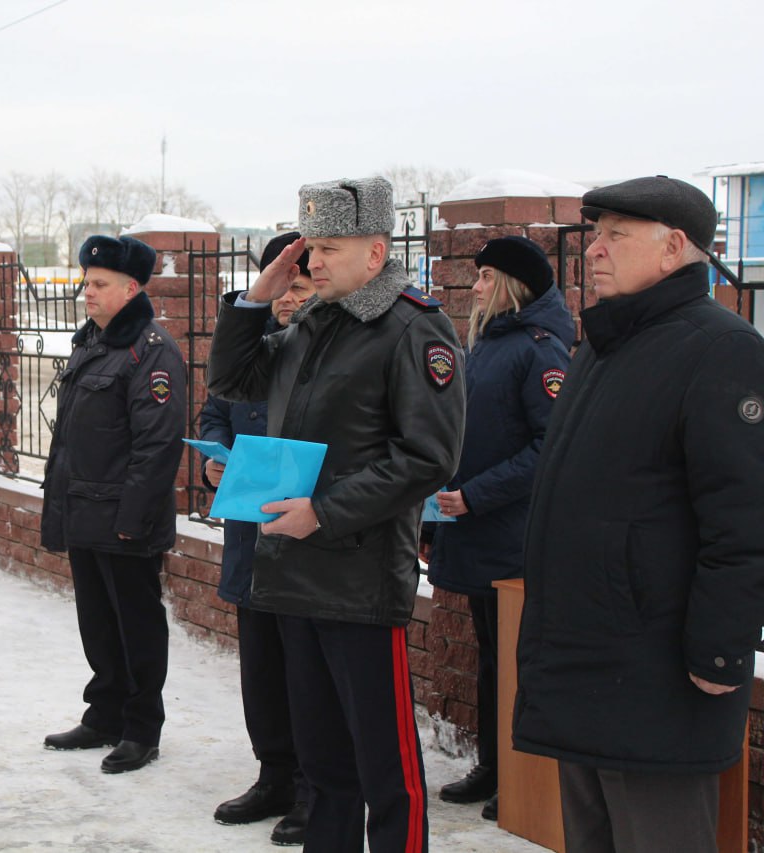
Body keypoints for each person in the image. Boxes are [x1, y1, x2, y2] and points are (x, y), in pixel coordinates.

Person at [207, 177, 465, 852]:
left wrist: (323, 512)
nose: (311, 260)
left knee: (386, 770)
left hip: (358, 582)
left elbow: (427, 458)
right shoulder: (312, 326)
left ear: (375, 252)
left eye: (326, 247)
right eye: (307, 246)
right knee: (322, 767)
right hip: (293, 577)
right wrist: (256, 299)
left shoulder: (413, 328)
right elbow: (233, 382)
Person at [513, 176, 764, 853]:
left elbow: (743, 520)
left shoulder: (723, 348)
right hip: (586, 662)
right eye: (596, 234)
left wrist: (719, 649)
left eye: (616, 234)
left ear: (673, 246)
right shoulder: (604, 344)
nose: (594, 249)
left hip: (658, 676)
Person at [423, 236, 572, 823]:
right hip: (473, 525)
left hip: (513, 532)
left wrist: (476, 497)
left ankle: (521, 774)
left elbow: (549, 446)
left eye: (486, 277)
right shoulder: (487, 344)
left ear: (512, 286)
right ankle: (491, 765)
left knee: (518, 661)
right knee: (490, 658)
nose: (476, 287)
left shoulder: (541, 350)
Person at [40, 234, 187, 774]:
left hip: (125, 521)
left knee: (136, 627)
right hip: (84, 513)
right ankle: (104, 714)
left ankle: (142, 727)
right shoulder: (92, 343)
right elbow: (71, 441)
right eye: (86, 282)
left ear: (131, 288)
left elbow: (156, 447)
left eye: (99, 284)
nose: (87, 292)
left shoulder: (151, 351)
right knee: (98, 624)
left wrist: (132, 520)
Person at [200, 231, 314, 845]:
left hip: (305, 542)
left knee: (304, 673)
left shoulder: (321, 356)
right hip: (250, 537)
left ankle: (310, 789)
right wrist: (211, 463)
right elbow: (216, 408)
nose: (290, 298)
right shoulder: (255, 350)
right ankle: (273, 774)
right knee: (262, 672)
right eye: (283, 286)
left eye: (300, 285)